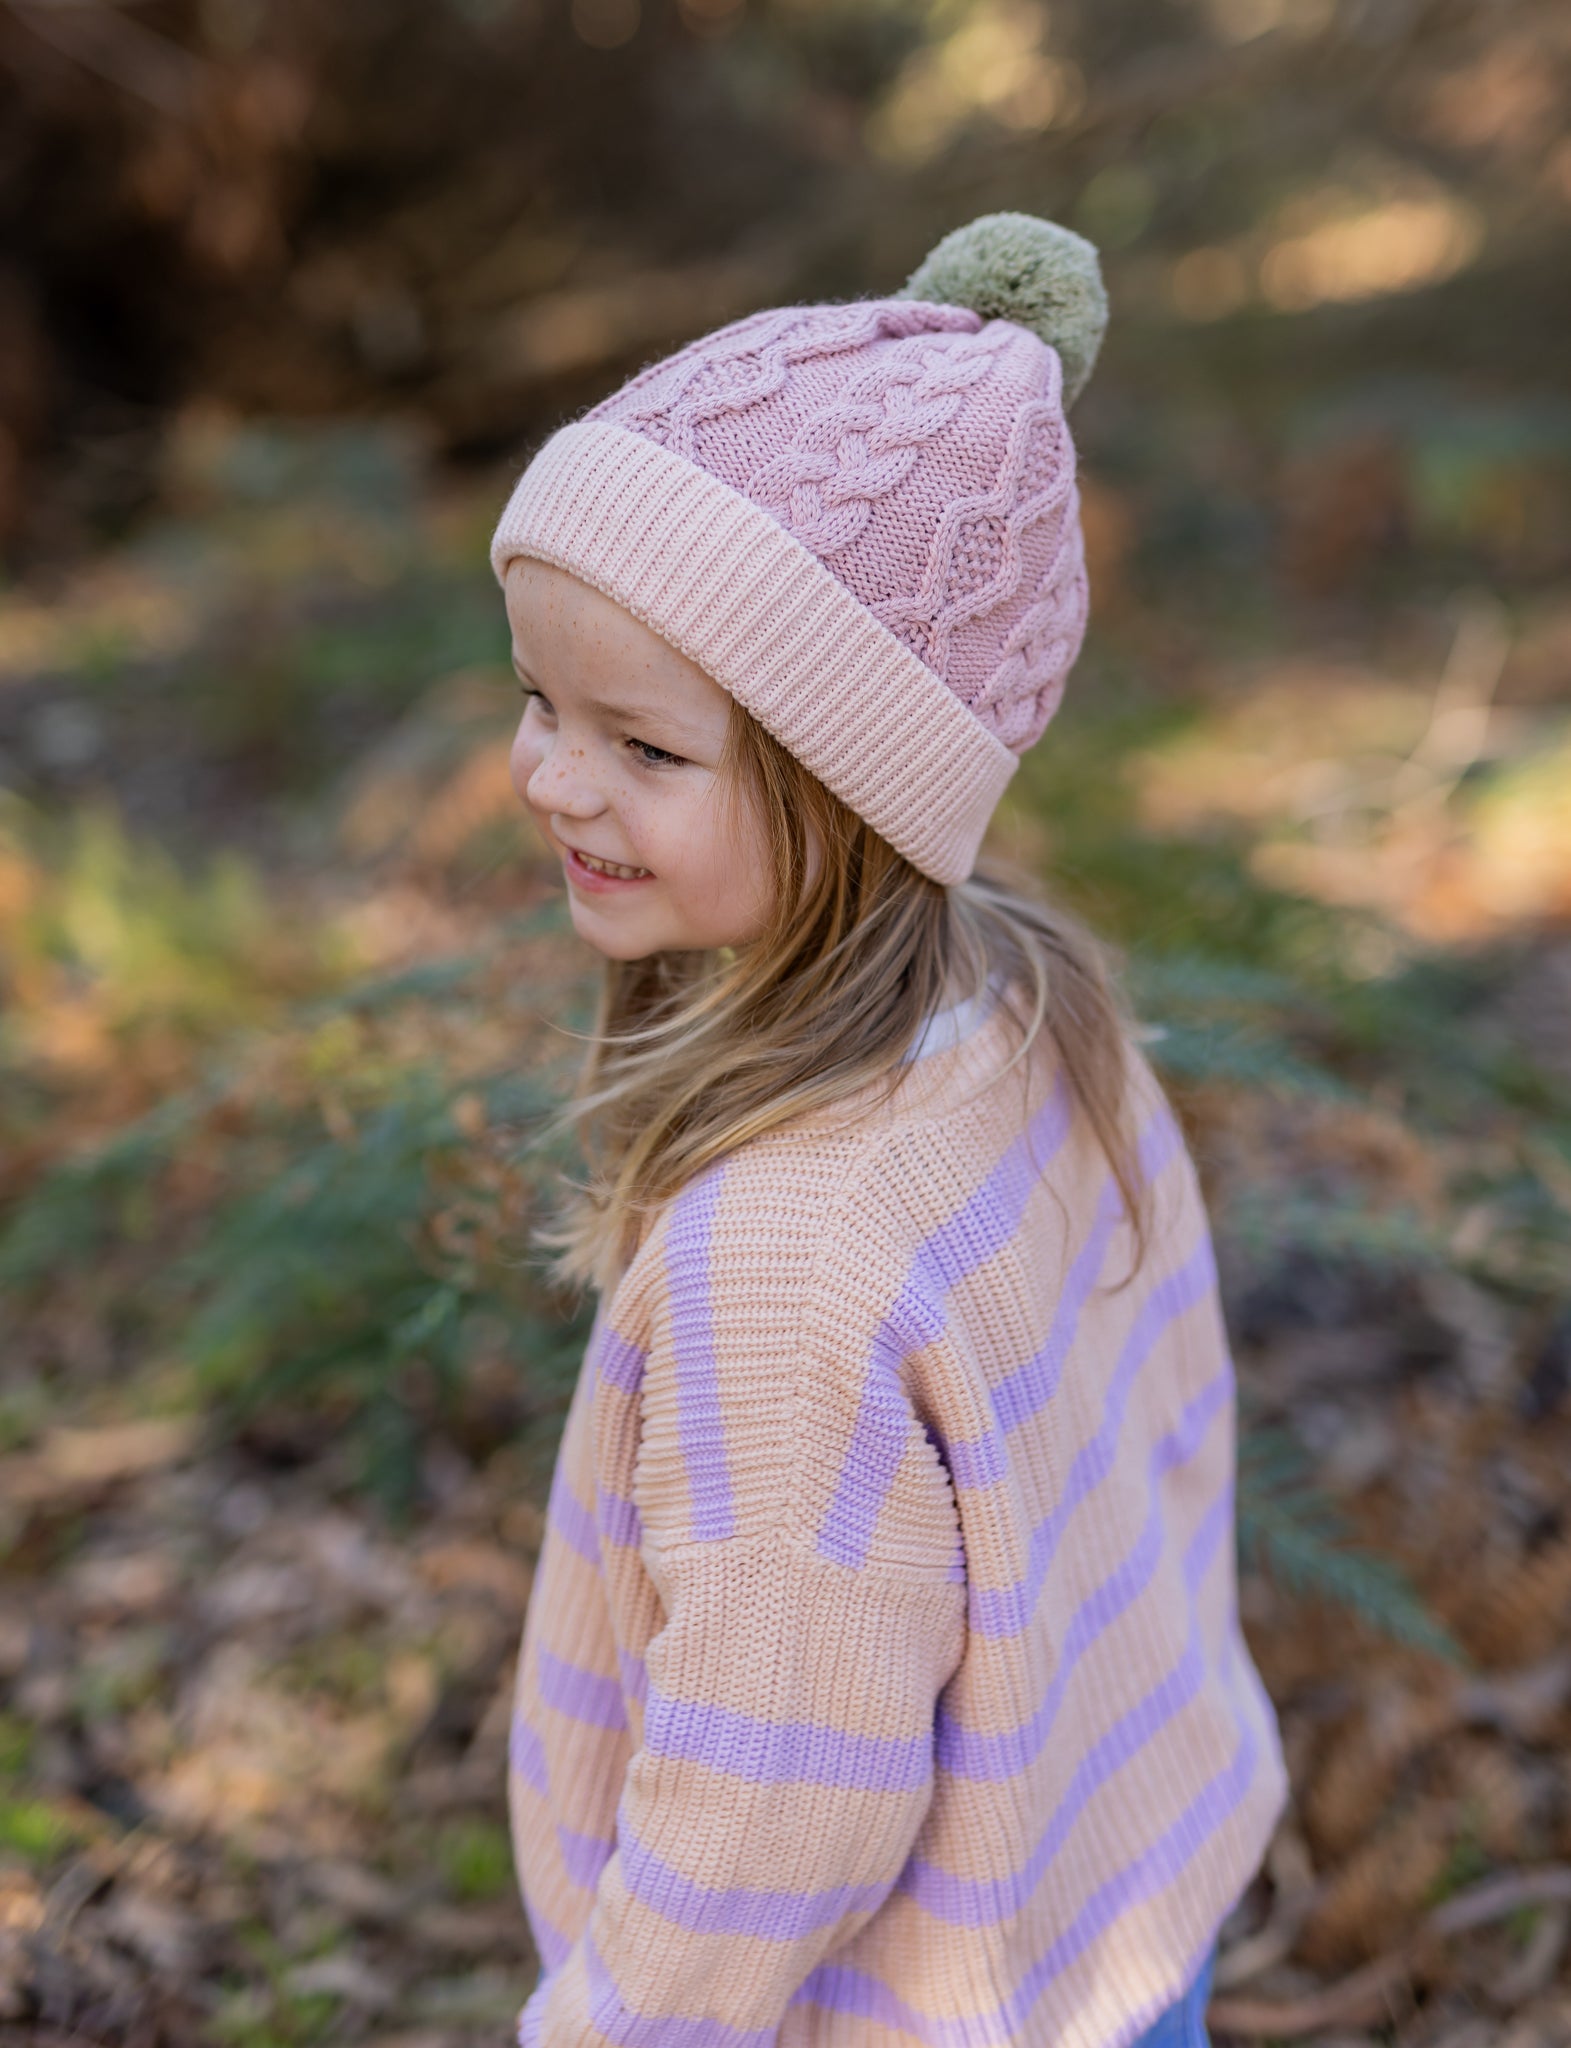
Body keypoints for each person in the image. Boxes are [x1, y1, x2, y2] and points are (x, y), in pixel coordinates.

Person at [490, 212, 1287, 2048]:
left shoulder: (785, 1267)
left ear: (859, 784)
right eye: (539, 700)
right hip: (1111, 1917)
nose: (549, 775)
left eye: (644, 746)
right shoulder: (1026, 1005)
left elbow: (768, 1802)